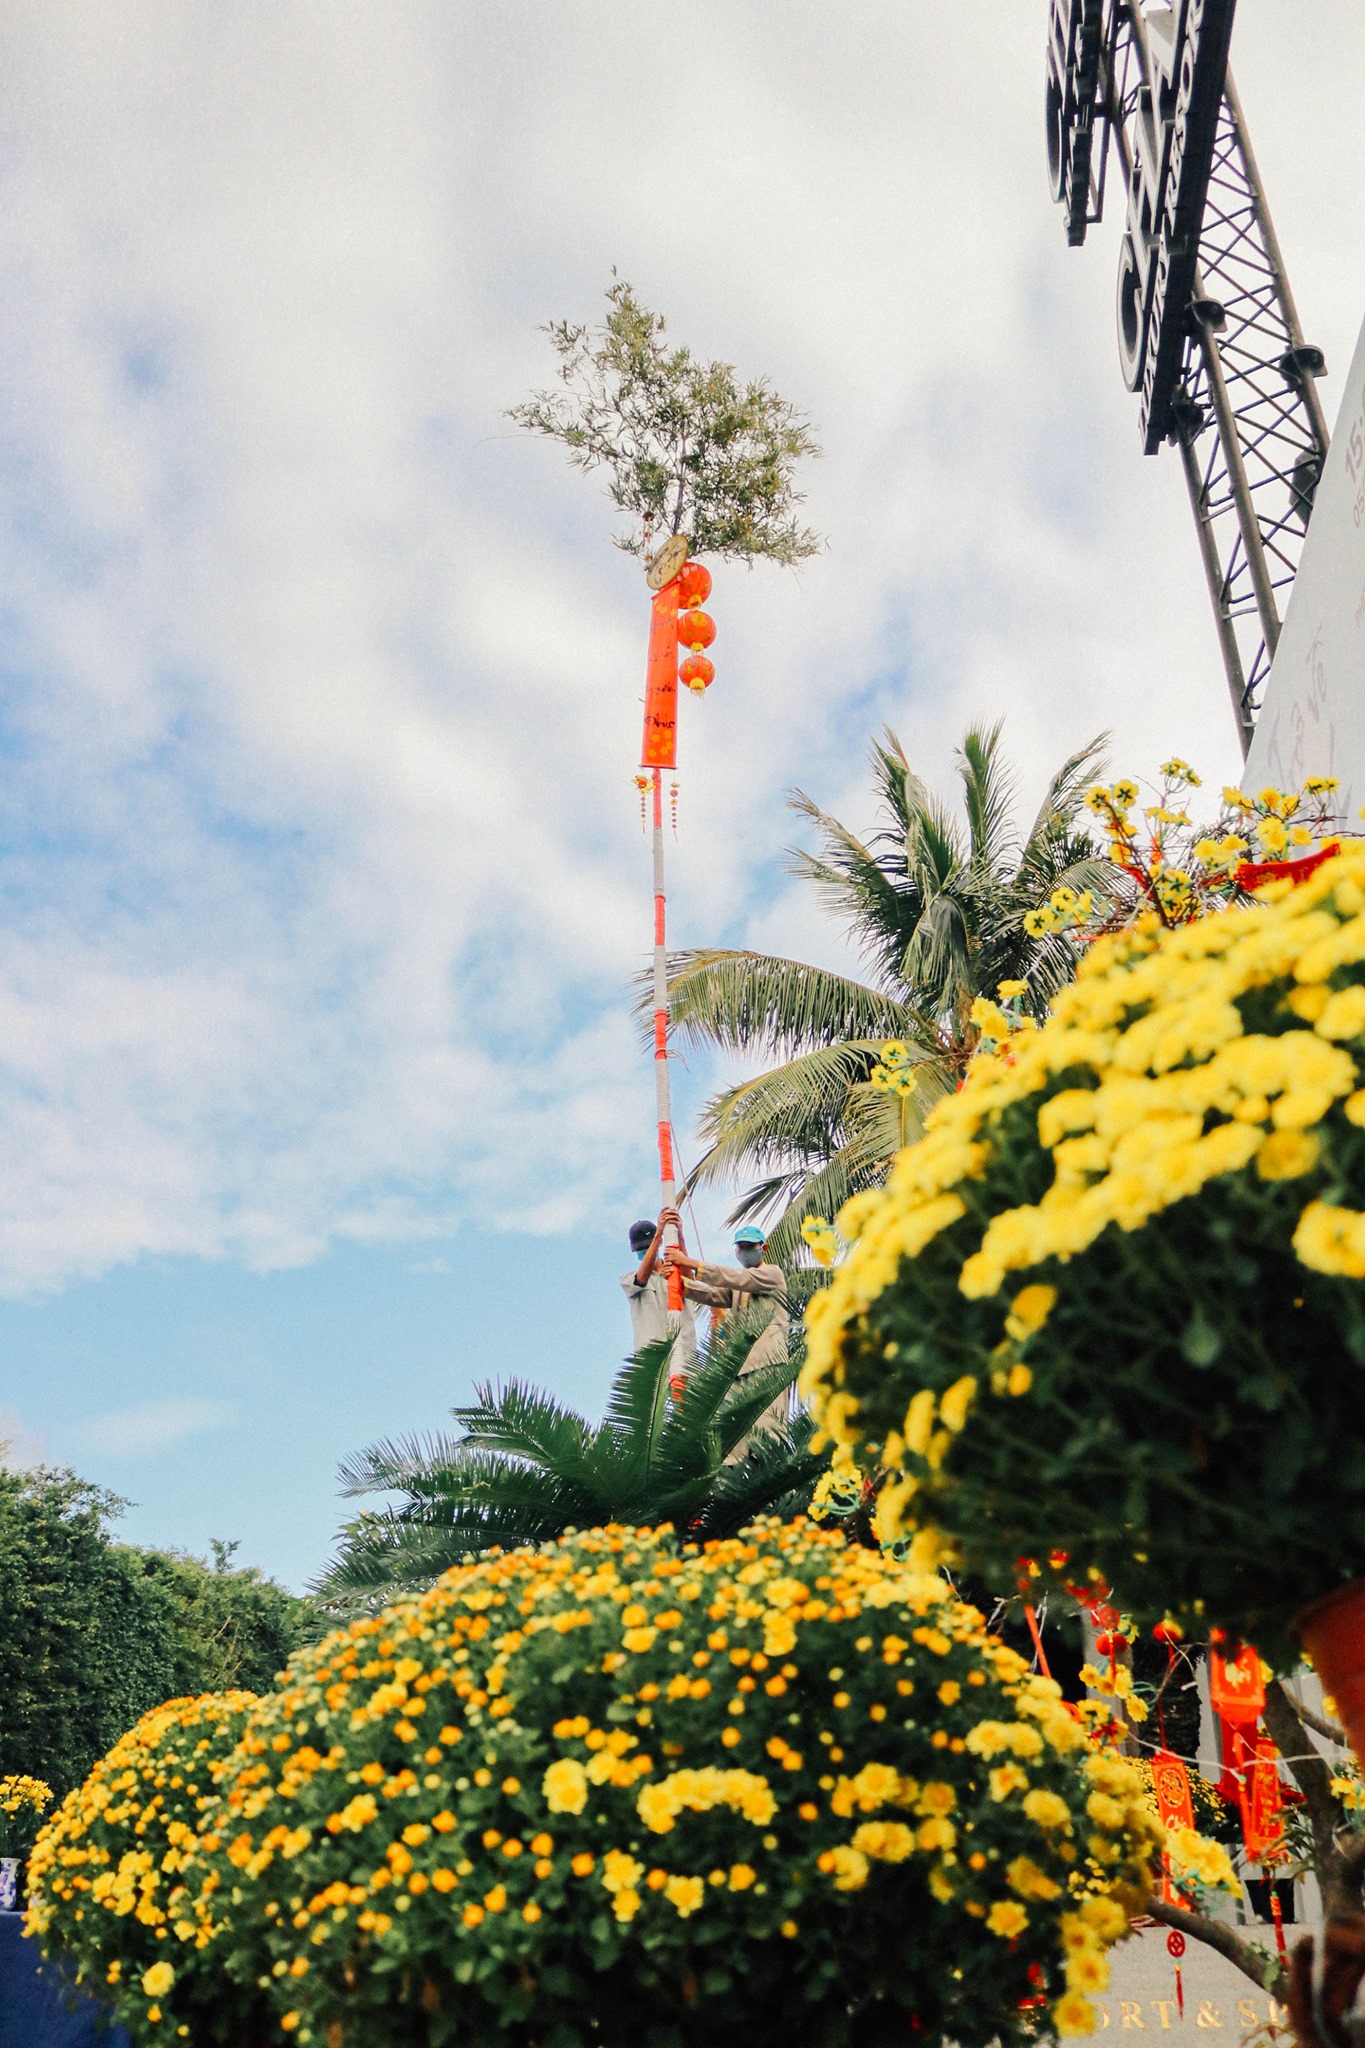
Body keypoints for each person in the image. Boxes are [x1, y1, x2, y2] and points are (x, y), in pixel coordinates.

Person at [664, 1224, 789, 1433]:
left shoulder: (771, 1274)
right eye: (741, 1247)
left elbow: (738, 1278)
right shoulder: (740, 1287)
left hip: (768, 1363)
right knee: (734, 1436)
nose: (745, 1251)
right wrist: (679, 1282)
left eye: (750, 1246)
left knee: (768, 1431)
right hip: (741, 1366)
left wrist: (689, 1263)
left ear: (763, 1248)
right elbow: (713, 1295)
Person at [620, 1207, 698, 1387]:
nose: (646, 1252)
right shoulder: (628, 1279)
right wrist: (657, 1236)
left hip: (685, 1353)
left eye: (648, 1247)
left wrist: (679, 1237)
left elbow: (690, 1281)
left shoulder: (675, 1272)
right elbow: (641, 1279)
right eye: (642, 1249)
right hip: (652, 1359)